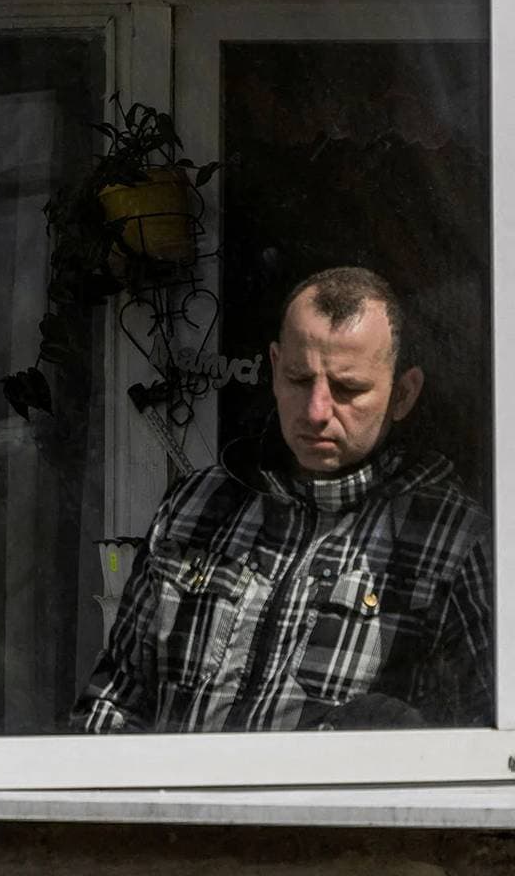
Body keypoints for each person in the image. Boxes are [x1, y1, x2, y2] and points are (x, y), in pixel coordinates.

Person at [73, 266, 493, 732]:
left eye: (347, 389)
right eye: (298, 379)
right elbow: (115, 703)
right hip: (178, 805)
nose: (316, 411)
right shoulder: (195, 506)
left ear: (403, 393)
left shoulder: (454, 540)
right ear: (273, 368)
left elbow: (490, 746)